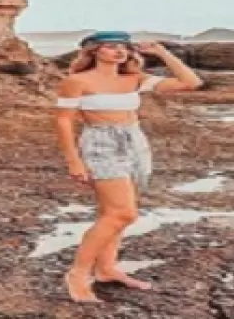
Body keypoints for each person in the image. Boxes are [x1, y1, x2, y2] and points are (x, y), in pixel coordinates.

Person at [52, 30, 204, 302]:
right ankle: (77, 274)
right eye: (110, 47)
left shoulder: (134, 79)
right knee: (123, 214)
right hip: (101, 143)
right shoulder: (77, 81)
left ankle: (107, 269)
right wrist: (74, 160)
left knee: (112, 212)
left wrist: (161, 52)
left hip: (134, 141)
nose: (118, 51)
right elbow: (64, 121)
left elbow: (191, 82)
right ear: (94, 51)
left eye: (123, 47)